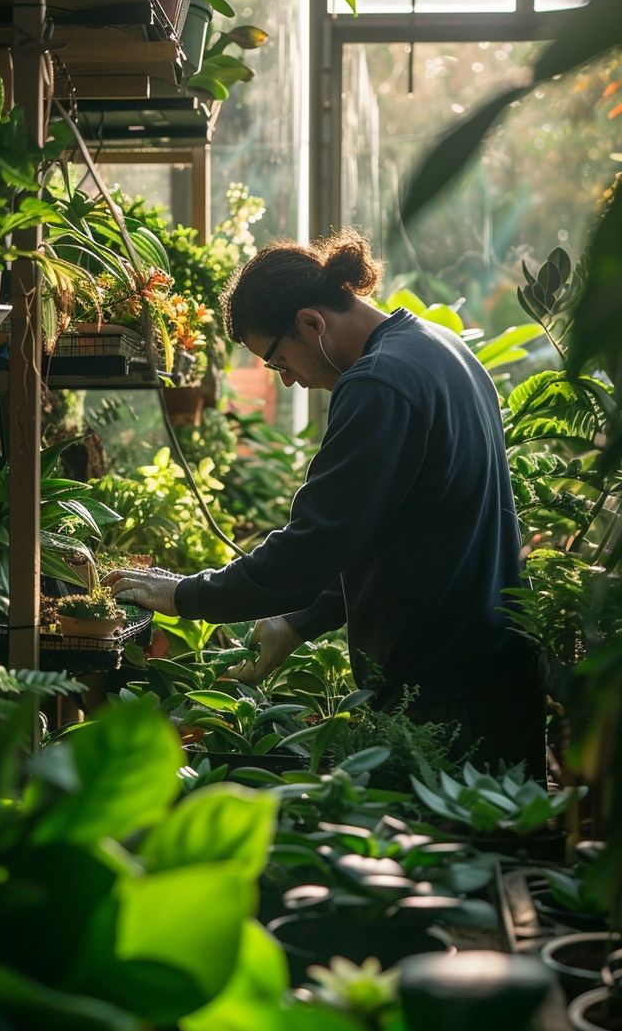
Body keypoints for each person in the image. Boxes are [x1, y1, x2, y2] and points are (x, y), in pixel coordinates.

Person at [106, 230, 547, 776]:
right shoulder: (440, 348)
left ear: (310, 323)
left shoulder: (378, 384)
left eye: (277, 361)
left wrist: (186, 595)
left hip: (446, 703)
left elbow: (313, 547)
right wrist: (299, 623)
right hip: (493, 685)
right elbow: (385, 529)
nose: (288, 380)